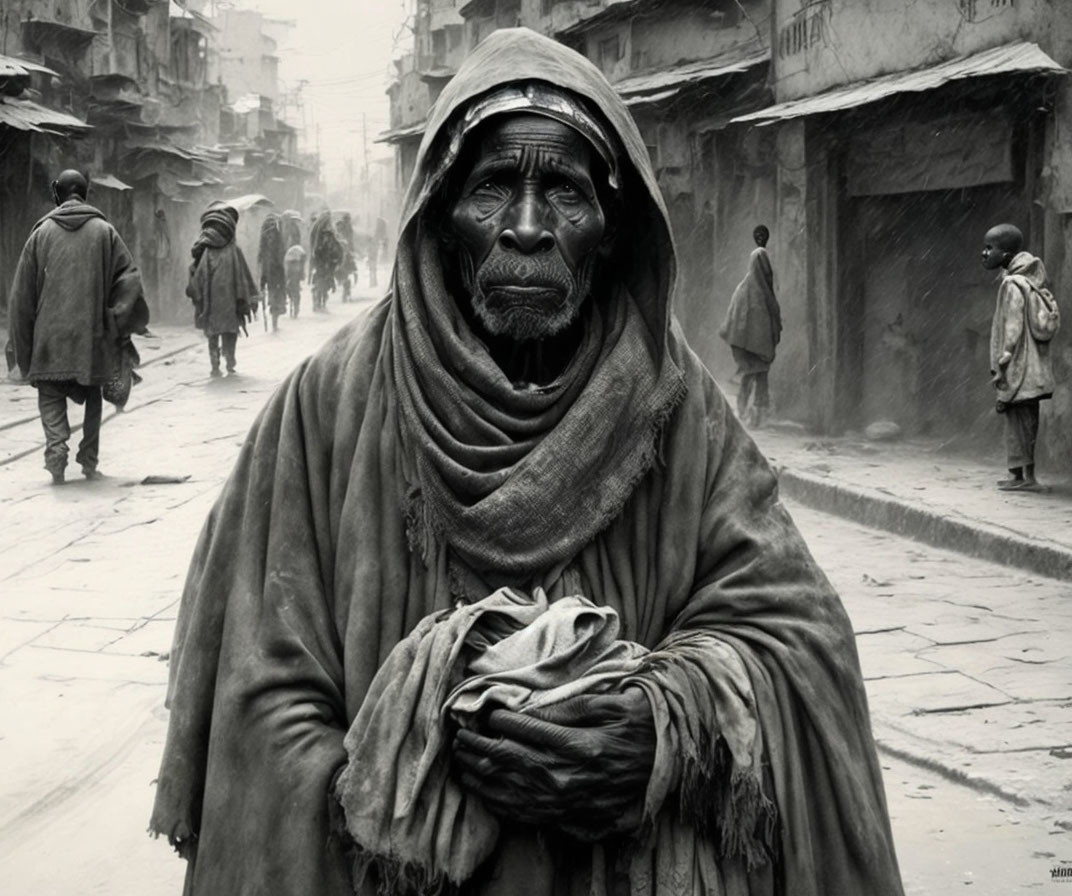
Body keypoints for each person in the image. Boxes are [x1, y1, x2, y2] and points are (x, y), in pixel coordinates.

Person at [149, 29, 903, 896]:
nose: (529, 228)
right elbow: (260, 691)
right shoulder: (323, 410)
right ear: (440, 217)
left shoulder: (682, 411)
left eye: (568, 197)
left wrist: (666, 730)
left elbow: (794, 637)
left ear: (613, 235)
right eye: (493, 190)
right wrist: (410, 789)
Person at [9, 170, 148, 484]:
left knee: (50, 394)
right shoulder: (105, 231)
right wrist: (115, 319)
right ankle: (88, 460)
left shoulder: (40, 234)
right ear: (85, 194)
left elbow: (21, 299)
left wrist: (23, 352)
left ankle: (56, 450)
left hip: (49, 337)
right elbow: (130, 279)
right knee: (93, 394)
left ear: (58, 195)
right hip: (91, 336)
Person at [982, 223, 1056, 491]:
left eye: (990, 248)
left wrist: (1004, 358)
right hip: (1031, 366)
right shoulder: (1030, 280)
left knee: (1019, 421)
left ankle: (1024, 477)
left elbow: (1013, 326)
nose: (984, 253)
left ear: (1006, 254)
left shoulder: (1013, 284)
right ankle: (1023, 475)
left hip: (1018, 365)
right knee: (1024, 419)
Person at [187, 201, 258, 377]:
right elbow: (244, 277)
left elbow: (198, 280)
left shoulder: (207, 252)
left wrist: (198, 298)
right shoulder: (234, 250)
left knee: (213, 334)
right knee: (230, 333)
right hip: (230, 303)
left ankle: (214, 364)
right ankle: (230, 361)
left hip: (211, 303)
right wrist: (249, 298)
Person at [720, 224, 781, 428]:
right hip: (751, 346)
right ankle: (748, 415)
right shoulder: (749, 292)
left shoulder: (754, 291)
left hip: (752, 346)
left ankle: (752, 416)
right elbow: (737, 319)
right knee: (755, 376)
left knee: (756, 377)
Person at [258, 213, 287, 332]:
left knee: (272, 293)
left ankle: (274, 320)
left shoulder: (263, 236)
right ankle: (275, 321)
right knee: (277, 294)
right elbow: (281, 253)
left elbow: (260, 255)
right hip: (276, 270)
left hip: (268, 270)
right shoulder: (277, 235)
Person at [284, 242, 307, 318]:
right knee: (295, 290)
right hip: (294, 273)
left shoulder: (290, 253)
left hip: (293, 273)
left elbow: (288, 268)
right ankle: (296, 306)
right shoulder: (300, 252)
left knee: (293, 288)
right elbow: (301, 267)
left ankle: (294, 303)